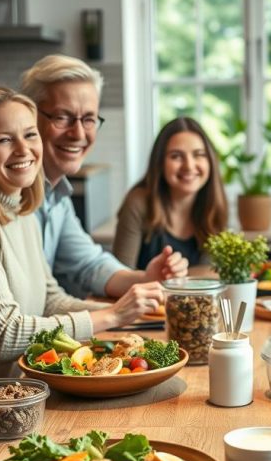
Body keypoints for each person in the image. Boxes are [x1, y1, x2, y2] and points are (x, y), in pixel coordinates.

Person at [0, 87, 165, 461]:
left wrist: (135, 315)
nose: (23, 149)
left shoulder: (21, 210)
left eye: (29, 135)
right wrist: (110, 317)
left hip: (12, 413)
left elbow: (49, 300)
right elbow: (3, 334)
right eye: (2, 139)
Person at [21, 55, 189, 299]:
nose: (78, 133)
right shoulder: (7, 195)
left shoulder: (57, 198)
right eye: (62, 117)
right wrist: (114, 313)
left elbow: (90, 265)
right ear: (30, 117)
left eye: (88, 119)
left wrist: (146, 278)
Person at [113, 117, 228, 269]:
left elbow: (210, 279)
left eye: (199, 154)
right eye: (176, 156)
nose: (189, 165)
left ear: (210, 161)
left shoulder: (214, 207)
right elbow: (119, 275)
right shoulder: (138, 203)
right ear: (160, 163)